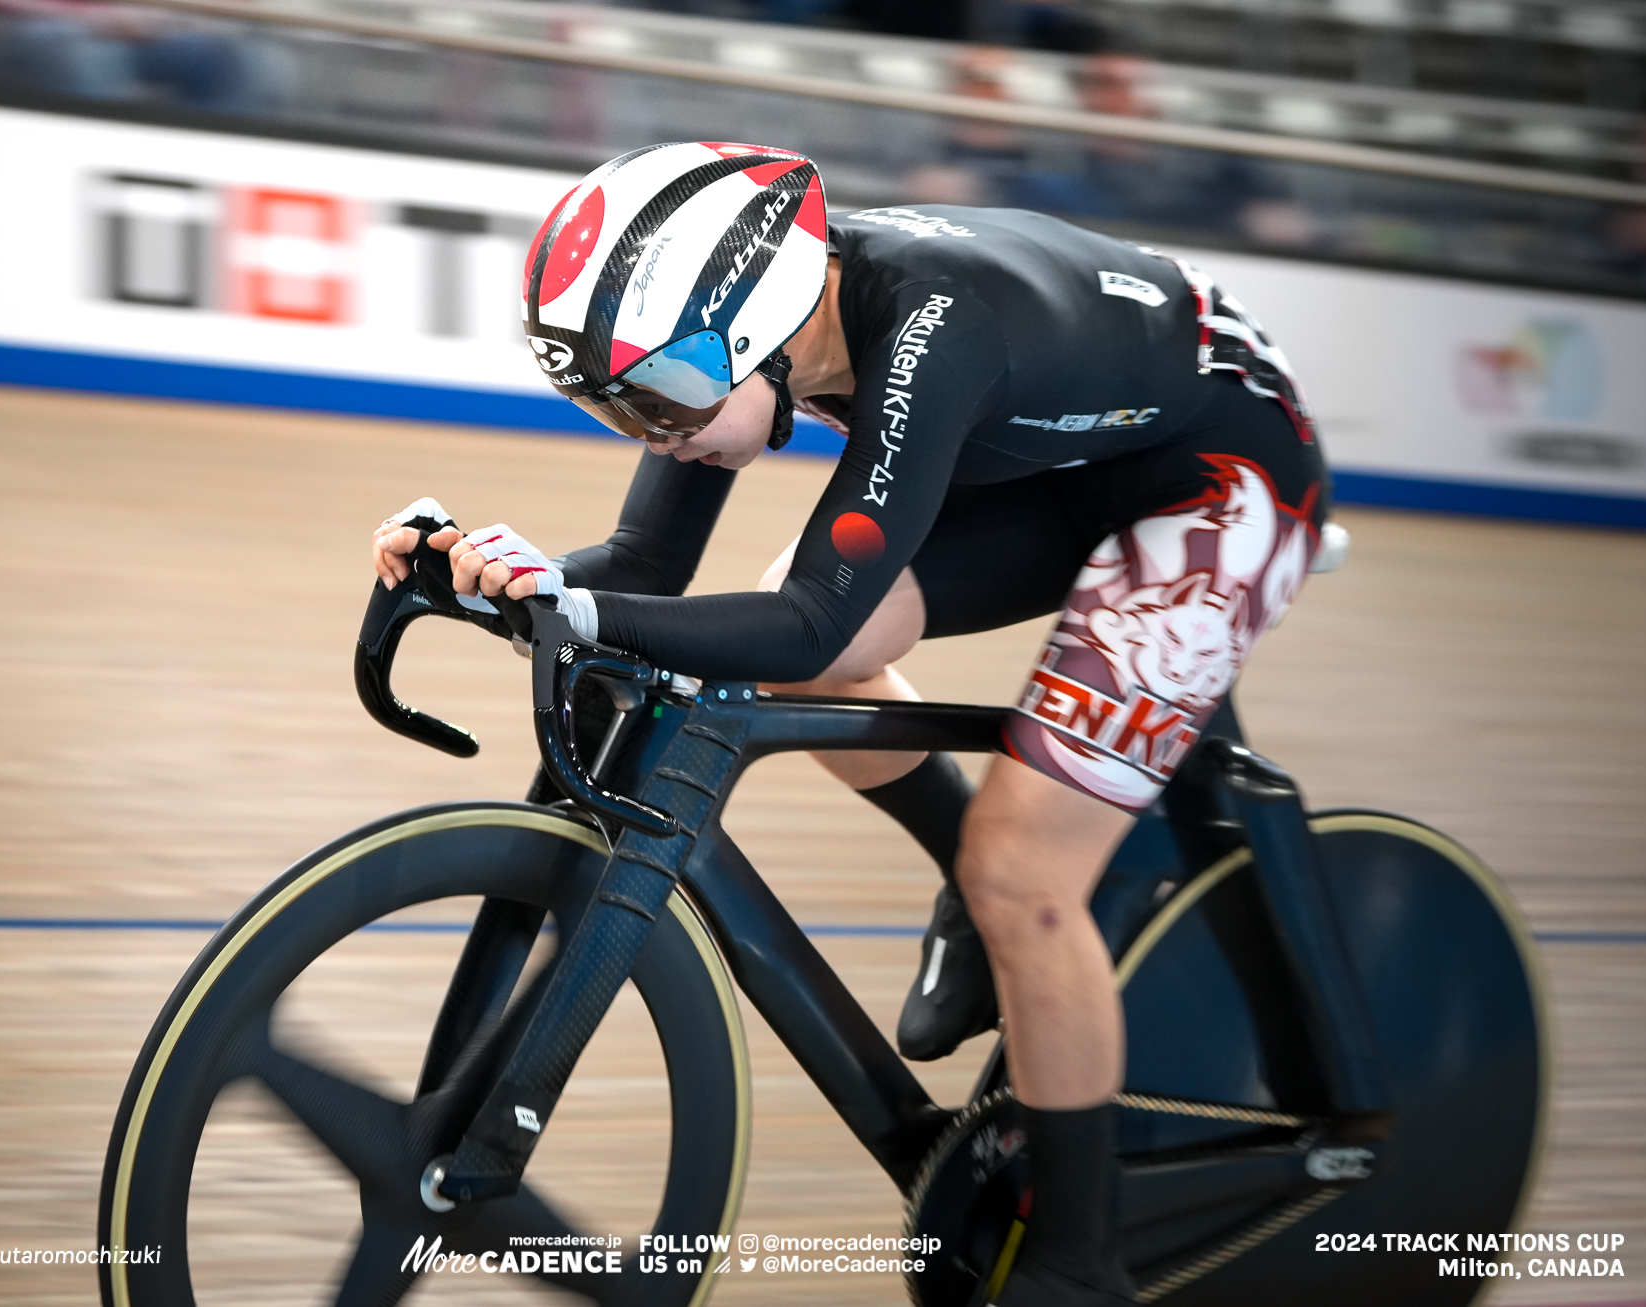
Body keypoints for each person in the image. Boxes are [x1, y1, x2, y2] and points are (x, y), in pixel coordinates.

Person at [371, 141, 1327, 1306]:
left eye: (659, 398)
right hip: (1042, 447)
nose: (649, 434)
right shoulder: (750, 325)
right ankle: (963, 889)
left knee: (1024, 865)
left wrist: (569, 607)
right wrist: (492, 581)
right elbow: (645, 565)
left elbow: (810, 621)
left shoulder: (929, 328)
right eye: (606, 403)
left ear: (765, 329)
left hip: (1214, 478)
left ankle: (1079, 1261)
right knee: (781, 671)